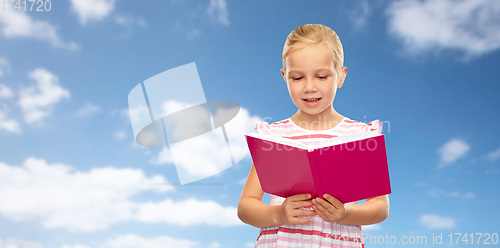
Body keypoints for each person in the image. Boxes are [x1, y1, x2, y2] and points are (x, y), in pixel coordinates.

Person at [237, 24, 390, 248]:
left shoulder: (359, 137)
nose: (309, 87)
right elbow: (246, 207)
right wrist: (278, 214)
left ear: (340, 76)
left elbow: (380, 207)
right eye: (297, 78)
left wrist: (345, 213)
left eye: (321, 76)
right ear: (284, 77)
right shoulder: (273, 137)